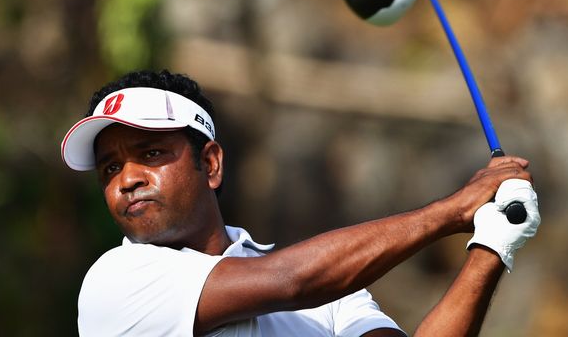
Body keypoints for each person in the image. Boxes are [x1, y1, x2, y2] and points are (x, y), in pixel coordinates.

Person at [61, 70, 540, 336]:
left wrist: (492, 246)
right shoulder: (116, 281)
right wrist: (453, 211)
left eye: (151, 154)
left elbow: (301, 279)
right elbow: (295, 281)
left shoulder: (337, 295)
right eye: (110, 168)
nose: (127, 180)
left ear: (210, 164)